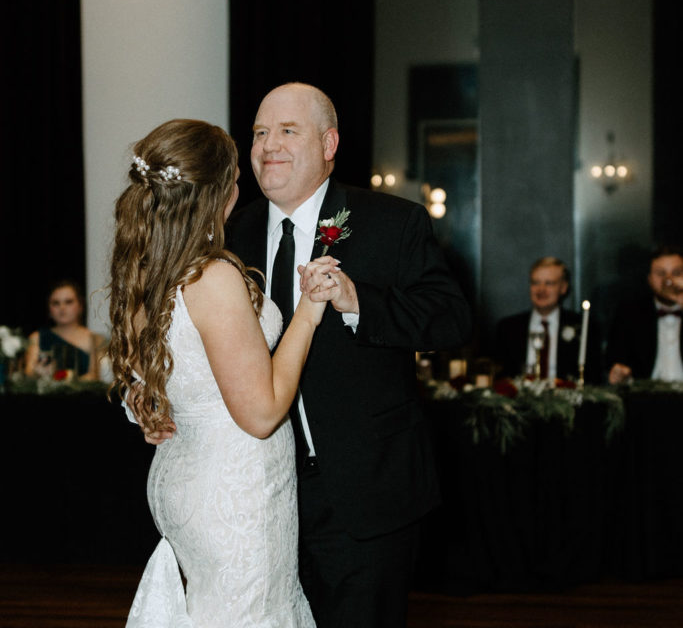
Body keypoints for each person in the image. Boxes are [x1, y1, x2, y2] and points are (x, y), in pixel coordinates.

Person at [223, 82, 472, 628]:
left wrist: (359, 301)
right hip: (260, 496)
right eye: (260, 133)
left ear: (329, 143)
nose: (268, 146)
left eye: (288, 131)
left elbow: (451, 319)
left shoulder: (391, 221)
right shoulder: (230, 234)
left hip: (366, 493)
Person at [109, 118, 321, 627]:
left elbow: (142, 372)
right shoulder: (212, 277)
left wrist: (142, 400)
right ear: (220, 194)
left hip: (183, 481)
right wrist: (309, 312)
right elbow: (262, 413)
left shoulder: (145, 270)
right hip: (236, 495)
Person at [494, 256, 601, 383]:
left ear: (563, 287)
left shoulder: (583, 326)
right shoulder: (508, 328)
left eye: (549, 283)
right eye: (536, 283)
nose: (541, 290)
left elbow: (593, 378)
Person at [607, 244, 683, 384]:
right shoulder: (630, 314)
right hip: (646, 399)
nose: (669, 281)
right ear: (649, 279)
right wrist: (620, 374)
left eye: (677, 273)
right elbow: (616, 364)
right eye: (661, 274)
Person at [25, 280, 105, 380]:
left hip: (83, 394)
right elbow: (28, 373)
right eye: (56, 303)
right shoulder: (36, 337)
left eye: (68, 302)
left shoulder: (94, 339)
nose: (62, 308)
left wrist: (68, 382)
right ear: (49, 309)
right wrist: (37, 373)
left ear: (80, 306)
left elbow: (95, 377)